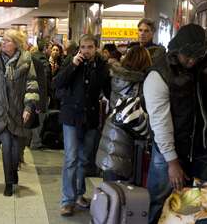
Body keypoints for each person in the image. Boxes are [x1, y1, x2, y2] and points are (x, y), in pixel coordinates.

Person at [143, 24, 207, 224]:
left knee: (200, 205)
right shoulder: (159, 74)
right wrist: (172, 161)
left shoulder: (206, 64)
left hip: (202, 146)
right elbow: (160, 122)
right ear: (177, 49)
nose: (192, 60)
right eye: (188, 55)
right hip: (170, 149)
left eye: (197, 55)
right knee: (161, 202)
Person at [54, 34, 111, 217]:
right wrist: (73, 65)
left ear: (96, 48)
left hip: (90, 118)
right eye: (83, 47)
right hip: (71, 117)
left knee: (84, 159)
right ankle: (67, 200)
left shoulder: (102, 66)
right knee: (70, 158)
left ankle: (79, 194)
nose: (86, 51)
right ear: (79, 48)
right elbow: (57, 83)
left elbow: (108, 89)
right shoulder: (71, 63)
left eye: (90, 47)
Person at [0, 29, 39, 197]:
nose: (3, 43)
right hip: (0, 111)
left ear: (16, 43)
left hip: (18, 111)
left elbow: (32, 85)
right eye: (3, 40)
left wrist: (29, 107)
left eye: (7, 40)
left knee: (16, 150)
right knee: (6, 146)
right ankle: (8, 182)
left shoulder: (26, 60)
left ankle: (13, 172)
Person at [97, 46, 152, 181]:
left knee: (111, 184)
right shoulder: (141, 81)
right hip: (128, 133)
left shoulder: (117, 77)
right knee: (123, 189)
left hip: (112, 128)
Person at [30, 38, 51, 150]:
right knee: (38, 119)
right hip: (38, 95)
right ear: (45, 48)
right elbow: (44, 82)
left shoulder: (32, 60)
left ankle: (32, 141)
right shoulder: (42, 61)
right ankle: (35, 142)